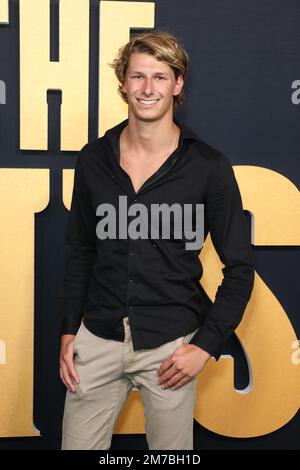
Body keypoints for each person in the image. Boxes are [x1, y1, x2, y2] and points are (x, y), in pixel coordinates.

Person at [59, 30, 254, 450]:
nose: (148, 89)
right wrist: (68, 332)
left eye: (161, 77)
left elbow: (240, 269)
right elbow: (79, 253)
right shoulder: (93, 159)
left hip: (171, 346)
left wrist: (204, 346)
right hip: (98, 338)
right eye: (138, 76)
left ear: (178, 84)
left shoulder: (208, 167)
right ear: (123, 83)